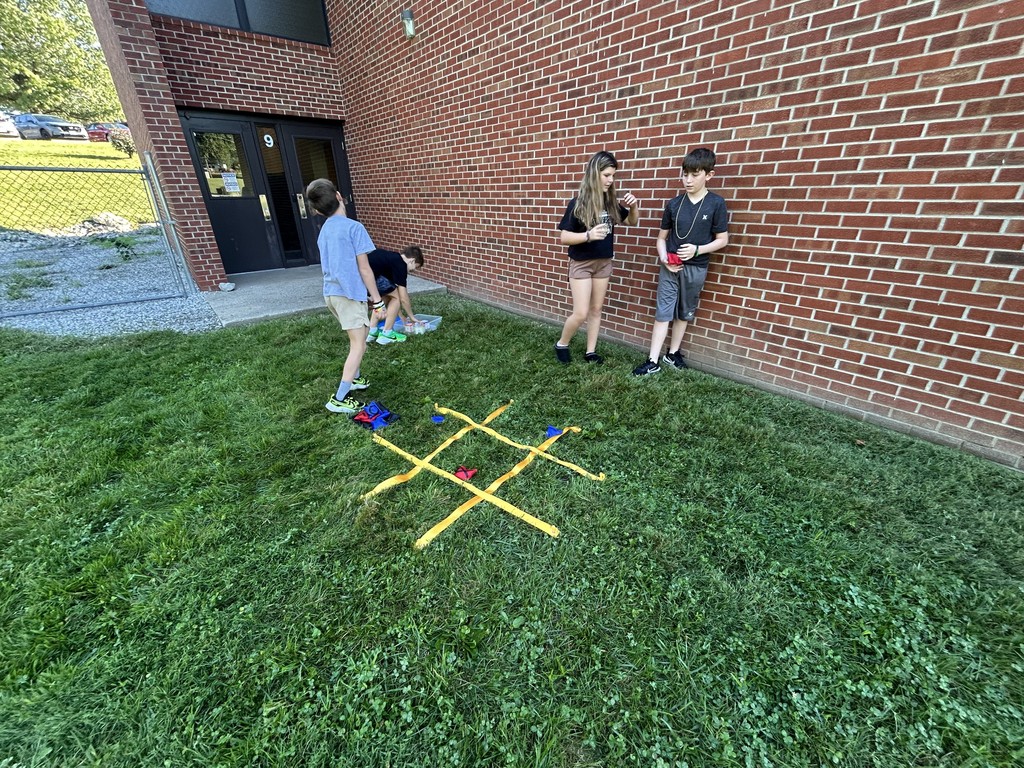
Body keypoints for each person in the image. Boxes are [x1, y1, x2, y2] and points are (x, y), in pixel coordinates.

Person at [632, 147, 729, 376]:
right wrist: (664, 258)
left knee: (684, 312)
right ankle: (652, 360)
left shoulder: (716, 203)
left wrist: (698, 249)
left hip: (696, 268)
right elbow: (661, 239)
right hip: (670, 268)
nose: (688, 180)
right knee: (663, 312)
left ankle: (672, 353)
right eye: (685, 174)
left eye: (694, 174)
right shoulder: (674, 204)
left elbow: (723, 239)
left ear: (709, 175)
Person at [305, 178, 387, 413]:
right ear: (339, 196)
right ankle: (339, 398)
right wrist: (377, 299)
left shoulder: (325, 230)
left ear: (318, 210)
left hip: (331, 294)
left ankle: (356, 378)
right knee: (359, 345)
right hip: (348, 295)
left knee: (358, 338)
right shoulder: (354, 227)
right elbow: (364, 268)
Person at [554, 151, 639, 365]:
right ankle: (562, 343)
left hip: (603, 263)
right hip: (581, 264)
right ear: (594, 174)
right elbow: (564, 237)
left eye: (613, 176)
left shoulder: (610, 203)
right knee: (581, 312)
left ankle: (590, 351)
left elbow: (631, 222)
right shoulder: (578, 203)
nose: (611, 180)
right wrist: (588, 235)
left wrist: (634, 207)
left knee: (596, 310)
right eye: (607, 175)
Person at [366, 246, 425, 344]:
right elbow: (403, 298)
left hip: (361, 278)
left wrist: (401, 315)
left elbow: (388, 291)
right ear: (412, 261)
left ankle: (372, 332)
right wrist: (411, 317)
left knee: (386, 296)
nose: (413, 270)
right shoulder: (401, 265)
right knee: (397, 297)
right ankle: (387, 334)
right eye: (416, 267)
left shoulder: (391, 259)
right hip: (368, 277)